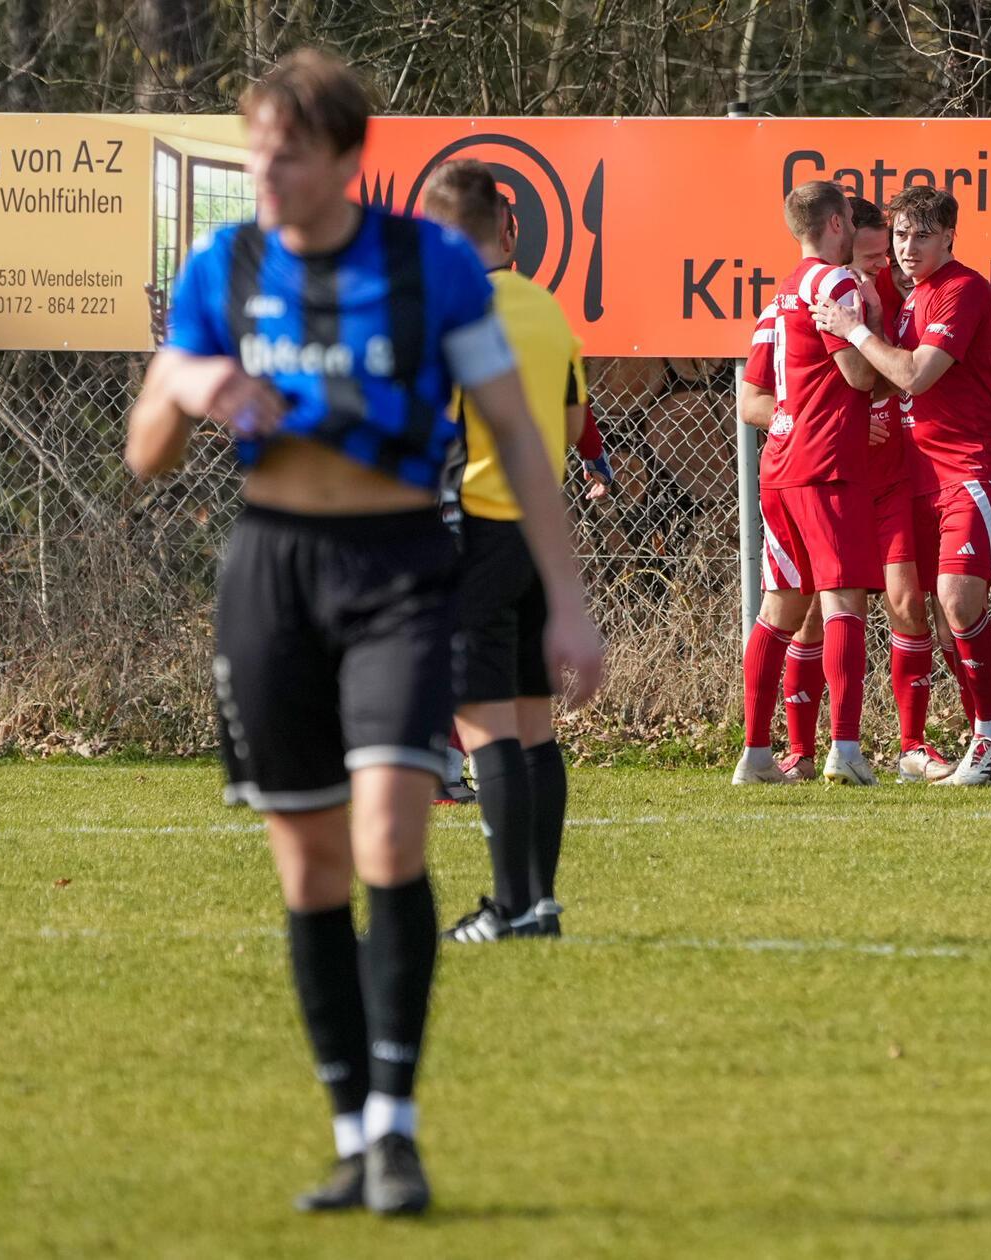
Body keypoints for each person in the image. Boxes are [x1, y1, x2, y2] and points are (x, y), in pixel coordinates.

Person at [123, 50, 603, 1216]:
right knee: (310, 865)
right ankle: (347, 1127)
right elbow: (145, 448)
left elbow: (516, 435)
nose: (266, 173)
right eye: (256, 152)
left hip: (397, 569)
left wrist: (568, 596)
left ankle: (395, 1127)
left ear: (345, 158)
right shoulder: (224, 267)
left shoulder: (425, 264)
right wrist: (193, 385)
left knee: (390, 835)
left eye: (287, 154)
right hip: (271, 574)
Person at [421, 160, 588, 941]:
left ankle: (510, 908)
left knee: (485, 726)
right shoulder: (549, 312)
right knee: (533, 725)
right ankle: (541, 902)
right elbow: (579, 422)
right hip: (538, 533)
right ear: (509, 228)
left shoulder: (444, 310)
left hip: (472, 528)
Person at [742, 198, 954, 783]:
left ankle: (909, 744)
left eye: (881, 259)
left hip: (883, 477)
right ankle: (823, 749)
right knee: (823, 609)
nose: (876, 267)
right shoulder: (825, 290)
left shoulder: (897, 293)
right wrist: (821, 416)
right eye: (868, 256)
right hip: (830, 468)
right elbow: (756, 399)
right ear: (841, 232)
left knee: (900, 604)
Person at [814, 186, 991, 787]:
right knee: (934, 608)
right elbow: (884, 381)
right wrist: (874, 327)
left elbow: (915, 376)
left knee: (961, 601)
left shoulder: (961, 289)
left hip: (973, 467)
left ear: (950, 237)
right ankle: (987, 740)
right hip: (924, 477)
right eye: (900, 236)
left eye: (921, 236)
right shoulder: (910, 300)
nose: (906, 248)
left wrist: (855, 330)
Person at [732, 180, 880, 786]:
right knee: (843, 600)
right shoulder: (836, 285)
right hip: (827, 464)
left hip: (783, 465)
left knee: (780, 607)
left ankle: (756, 754)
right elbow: (857, 375)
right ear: (839, 223)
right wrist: (872, 332)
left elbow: (755, 398)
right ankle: (845, 750)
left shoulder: (782, 295)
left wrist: (795, 416)